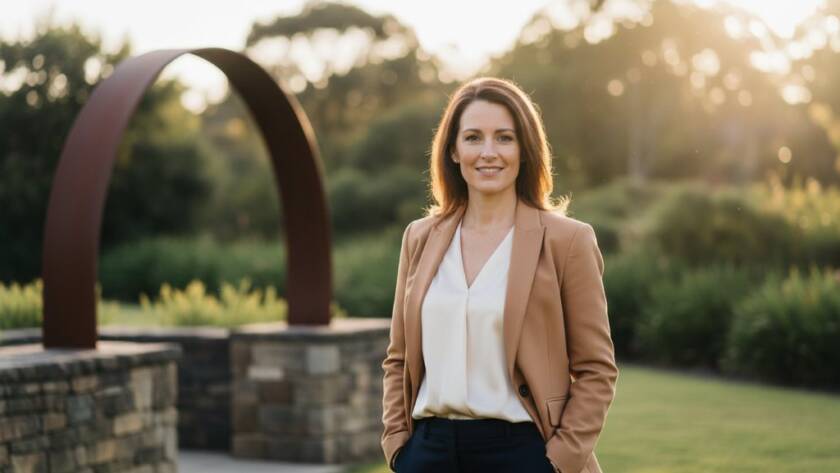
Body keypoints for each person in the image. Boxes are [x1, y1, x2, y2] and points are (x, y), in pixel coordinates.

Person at [380, 76, 619, 473]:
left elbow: (596, 369)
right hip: (428, 451)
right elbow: (398, 357)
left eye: (504, 138)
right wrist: (397, 445)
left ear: (525, 149)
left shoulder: (568, 241)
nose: (488, 152)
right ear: (453, 151)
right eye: (473, 137)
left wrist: (558, 461)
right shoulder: (419, 238)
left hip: (523, 451)